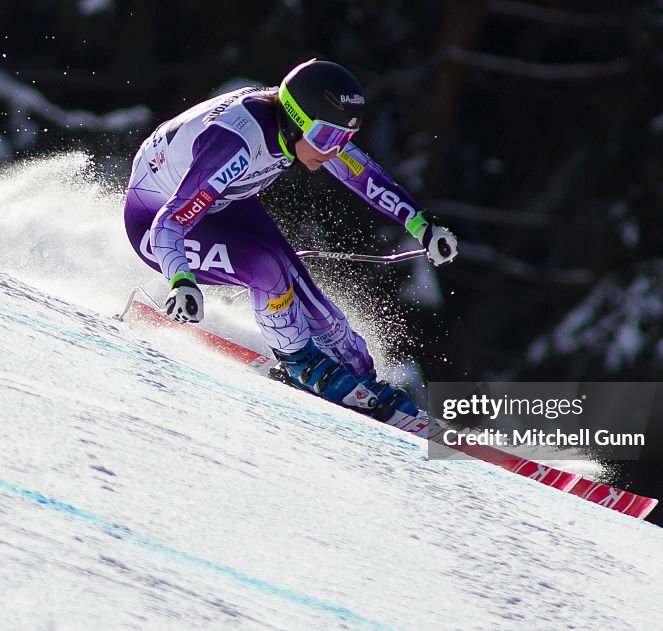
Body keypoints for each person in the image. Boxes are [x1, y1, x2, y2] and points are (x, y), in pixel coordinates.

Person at [123, 59, 457, 422]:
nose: (333, 150)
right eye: (327, 139)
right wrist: (181, 280)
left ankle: (362, 377)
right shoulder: (234, 145)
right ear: (296, 122)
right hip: (155, 225)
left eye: (344, 138)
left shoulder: (301, 126)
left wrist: (422, 226)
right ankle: (299, 363)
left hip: (222, 200)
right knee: (267, 269)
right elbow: (168, 222)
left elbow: (362, 175)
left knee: (309, 296)